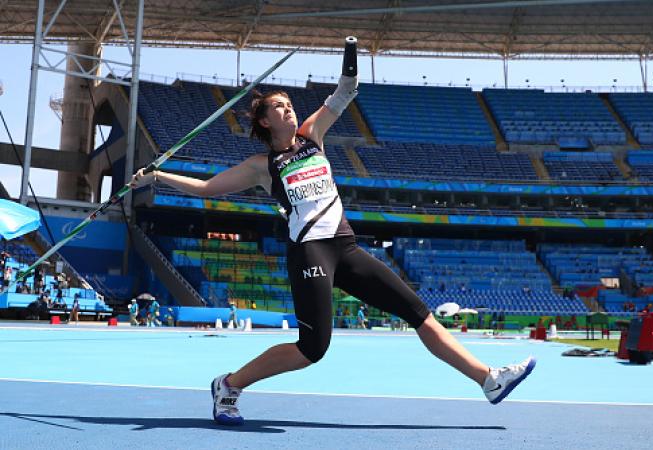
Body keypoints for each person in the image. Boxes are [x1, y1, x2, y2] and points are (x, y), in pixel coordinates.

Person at [130, 40, 535, 426]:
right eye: (279, 108)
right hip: (310, 252)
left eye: (290, 105)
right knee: (313, 349)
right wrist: (156, 175)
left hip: (346, 246)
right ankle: (229, 384)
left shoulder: (312, 136)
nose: (289, 111)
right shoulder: (261, 165)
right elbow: (205, 189)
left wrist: (351, 52)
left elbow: (346, 90)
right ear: (264, 120)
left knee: (418, 312)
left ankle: (488, 380)